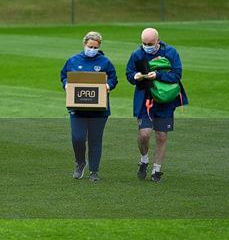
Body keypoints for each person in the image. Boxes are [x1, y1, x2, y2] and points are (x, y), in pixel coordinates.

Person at [126, 27, 188, 182]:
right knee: (144, 134)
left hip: (165, 100)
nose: (147, 46)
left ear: (158, 41)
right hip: (145, 99)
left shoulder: (171, 52)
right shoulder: (137, 54)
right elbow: (129, 74)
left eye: (150, 43)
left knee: (161, 136)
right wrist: (136, 76)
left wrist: (159, 75)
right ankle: (144, 159)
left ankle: (156, 170)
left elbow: (177, 74)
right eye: (144, 43)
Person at [60, 31, 118, 182]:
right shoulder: (73, 60)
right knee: (77, 138)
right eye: (90, 46)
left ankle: (94, 171)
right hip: (78, 108)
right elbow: (64, 76)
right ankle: (80, 162)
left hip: (99, 109)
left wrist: (108, 85)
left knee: (95, 139)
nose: (92, 49)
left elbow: (113, 78)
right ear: (84, 44)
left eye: (95, 47)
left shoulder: (104, 62)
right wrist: (66, 84)